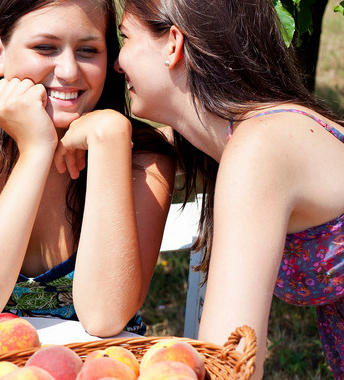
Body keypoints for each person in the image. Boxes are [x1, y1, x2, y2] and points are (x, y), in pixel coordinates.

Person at [0, 0, 176, 338]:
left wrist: (109, 138)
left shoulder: (139, 155)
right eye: (45, 47)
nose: (69, 71)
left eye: (88, 50)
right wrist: (36, 150)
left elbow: (105, 318)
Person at [111, 0, 343, 378]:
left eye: (125, 37)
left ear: (173, 44)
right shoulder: (256, 132)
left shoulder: (260, 149)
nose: (118, 62)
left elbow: (230, 365)